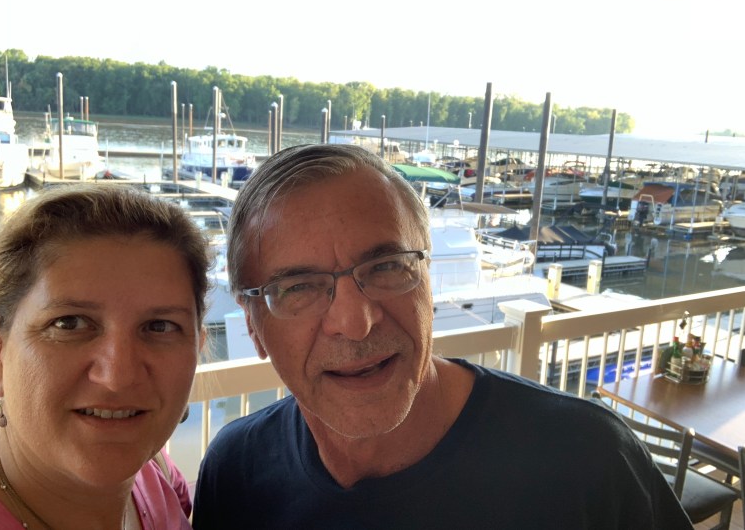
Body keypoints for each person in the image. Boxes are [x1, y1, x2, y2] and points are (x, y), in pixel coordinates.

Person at [193, 144, 693, 529]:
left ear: (428, 279)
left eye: (387, 266)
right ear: (253, 325)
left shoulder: (586, 461)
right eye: (298, 287)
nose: (354, 322)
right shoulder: (236, 474)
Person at [0, 183, 211, 530]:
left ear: (196, 349)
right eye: (69, 323)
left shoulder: (160, 476)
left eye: (159, 326)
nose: (118, 377)